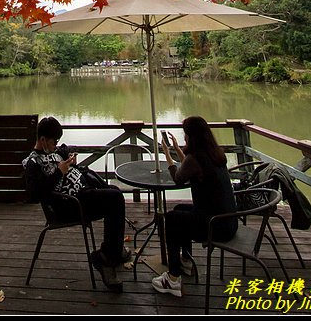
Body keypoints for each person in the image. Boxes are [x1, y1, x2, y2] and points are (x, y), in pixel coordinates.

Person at [23, 116, 129, 292]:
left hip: (83, 196)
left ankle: (111, 254)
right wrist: (58, 172)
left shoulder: (55, 152)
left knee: (115, 193)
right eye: (54, 141)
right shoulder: (33, 162)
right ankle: (107, 257)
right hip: (69, 206)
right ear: (42, 140)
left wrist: (70, 157)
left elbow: (67, 149)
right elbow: (34, 194)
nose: (56, 144)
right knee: (115, 200)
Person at [151, 115, 238, 298]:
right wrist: (175, 149)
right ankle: (186, 261)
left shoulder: (196, 158)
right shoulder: (215, 153)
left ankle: (173, 279)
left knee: (172, 219)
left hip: (215, 225)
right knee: (179, 210)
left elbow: (178, 177)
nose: (184, 138)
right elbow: (189, 166)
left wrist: (167, 154)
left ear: (192, 136)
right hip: (228, 220)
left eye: (186, 134)